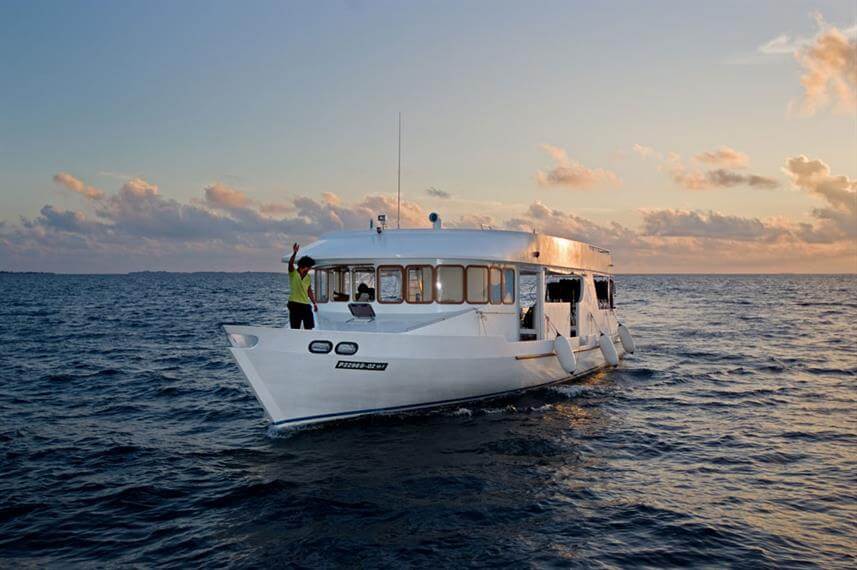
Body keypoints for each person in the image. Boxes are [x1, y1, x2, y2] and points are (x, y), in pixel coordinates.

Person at [287, 243, 318, 329]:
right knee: (295, 327)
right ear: (304, 266)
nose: (310, 268)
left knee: (309, 326)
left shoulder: (308, 277)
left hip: (305, 304)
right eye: (309, 267)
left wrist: (314, 303)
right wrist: (294, 253)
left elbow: (309, 291)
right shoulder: (293, 273)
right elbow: (290, 263)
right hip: (294, 304)